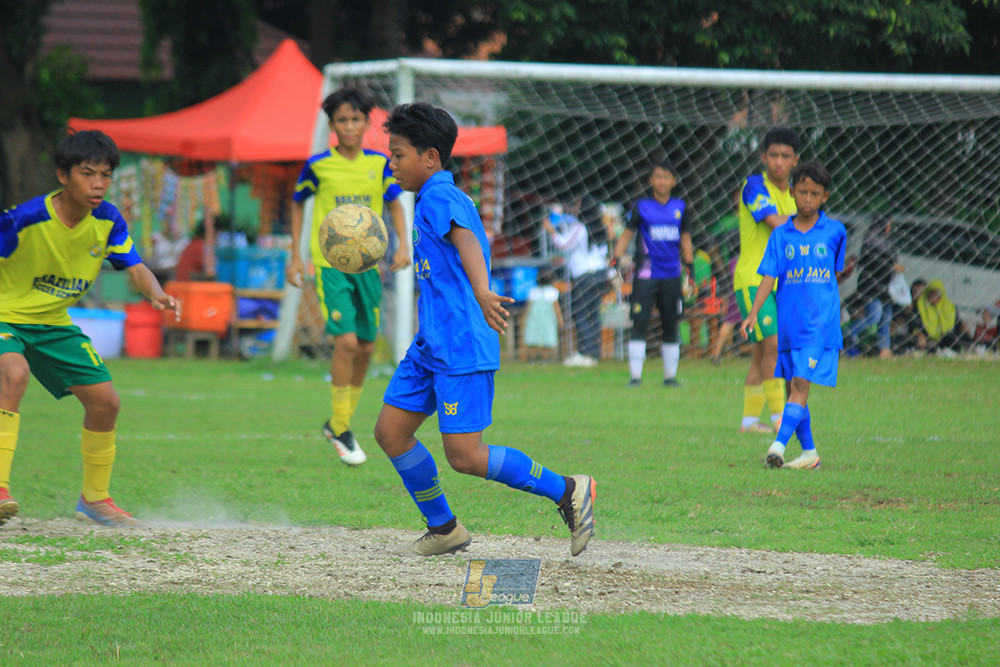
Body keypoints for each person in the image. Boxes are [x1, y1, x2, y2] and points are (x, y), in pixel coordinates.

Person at [374, 102, 596, 557]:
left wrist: (481, 288)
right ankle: (445, 528)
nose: (391, 163)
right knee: (391, 432)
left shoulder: (440, 196)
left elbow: (467, 239)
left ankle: (569, 489)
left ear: (430, 157)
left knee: (465, 457)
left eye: (398, 154)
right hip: (431, 344)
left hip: (461, 345)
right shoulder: (433, 196)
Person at [0, 129, 181, 527]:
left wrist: (156, 293)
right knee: (13, 374)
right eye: (87, 173)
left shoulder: (107, 219)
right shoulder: (25, 219)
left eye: (105, 175)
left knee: (106, 402)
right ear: (64, 176)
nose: (98, 183)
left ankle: (95, 499)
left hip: (54, 324)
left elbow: (133, 264)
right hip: (5, 316)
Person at [286, 87, 410, 467]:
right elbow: (296, 205)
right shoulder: (318, 165)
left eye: (357, 119)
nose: (350, 126)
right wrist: (295, 256)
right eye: (343, 119)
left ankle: (337, 423)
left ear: (366, 123)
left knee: (368, 347)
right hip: (331, 268)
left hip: (368, 269)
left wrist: (404, 244)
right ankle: (341, 427)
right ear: (332, 125)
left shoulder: (379, 164)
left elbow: (395, 204)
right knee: (347, 342)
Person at [740, 161, 848, 470]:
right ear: (792, 192)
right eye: (802, 192)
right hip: (789, 324)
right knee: (793, 390)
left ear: (824, 196)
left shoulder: (835, 231)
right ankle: (810, 453)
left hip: (819, 325)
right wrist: (752, 314)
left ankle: (778, 446)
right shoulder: (780, 235)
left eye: (815, 193)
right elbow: (768, 277)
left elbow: (833, 275)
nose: (808, 198)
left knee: (800, 384)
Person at [733, 127, 800, 434]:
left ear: (795, 160)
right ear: (763, 157)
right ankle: (778, 417)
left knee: (764, 352)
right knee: (773, 345)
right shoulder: (754, 186)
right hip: (752, 279)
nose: (778, 162)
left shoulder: (797, 194)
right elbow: (778, 224)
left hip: (781, 283)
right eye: (773, 155)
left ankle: (749, 421)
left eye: (785, 156)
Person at [612, 159, 693, 387]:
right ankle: (635, 377)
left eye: (666, 177)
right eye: (658, 177)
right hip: (646, 275)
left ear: (673, 181)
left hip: (672, 275)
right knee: (639, 322)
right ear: (651, 181)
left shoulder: (681, 207)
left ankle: (670, 377)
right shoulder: (641, 207)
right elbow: (627, 234)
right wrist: (616, 259)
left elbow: (686, 238)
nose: (662, 181)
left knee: (671, 324)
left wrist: (690, 266)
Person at [541, 204, 596, 367]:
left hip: (582, 274)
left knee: (582, 315)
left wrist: (551, 230)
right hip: (580, 274)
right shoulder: (573, 227)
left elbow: (564, 245)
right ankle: (589, 352)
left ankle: (587, 353)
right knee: (584, 315)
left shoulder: (578, 228)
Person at [845, 214, 904, 358]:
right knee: (874, 316)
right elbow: (873, 261)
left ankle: (884, 349)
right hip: (871, 286)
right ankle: (846, 333)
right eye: (888, 223)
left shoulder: (888, 241)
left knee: (886, 315)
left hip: (885, 287)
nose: (890, 227)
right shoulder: (872, 239)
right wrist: (892, 265)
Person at [522, 268, 563, 362]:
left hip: (537, 318)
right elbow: (556, 307)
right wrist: (560, 318)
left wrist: (526, 317)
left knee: (537, 335)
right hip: (544, 318)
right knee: (541, 335)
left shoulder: (535, 291)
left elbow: (528, 307)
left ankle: (534, 357)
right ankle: (542, 357)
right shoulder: (550, 291)